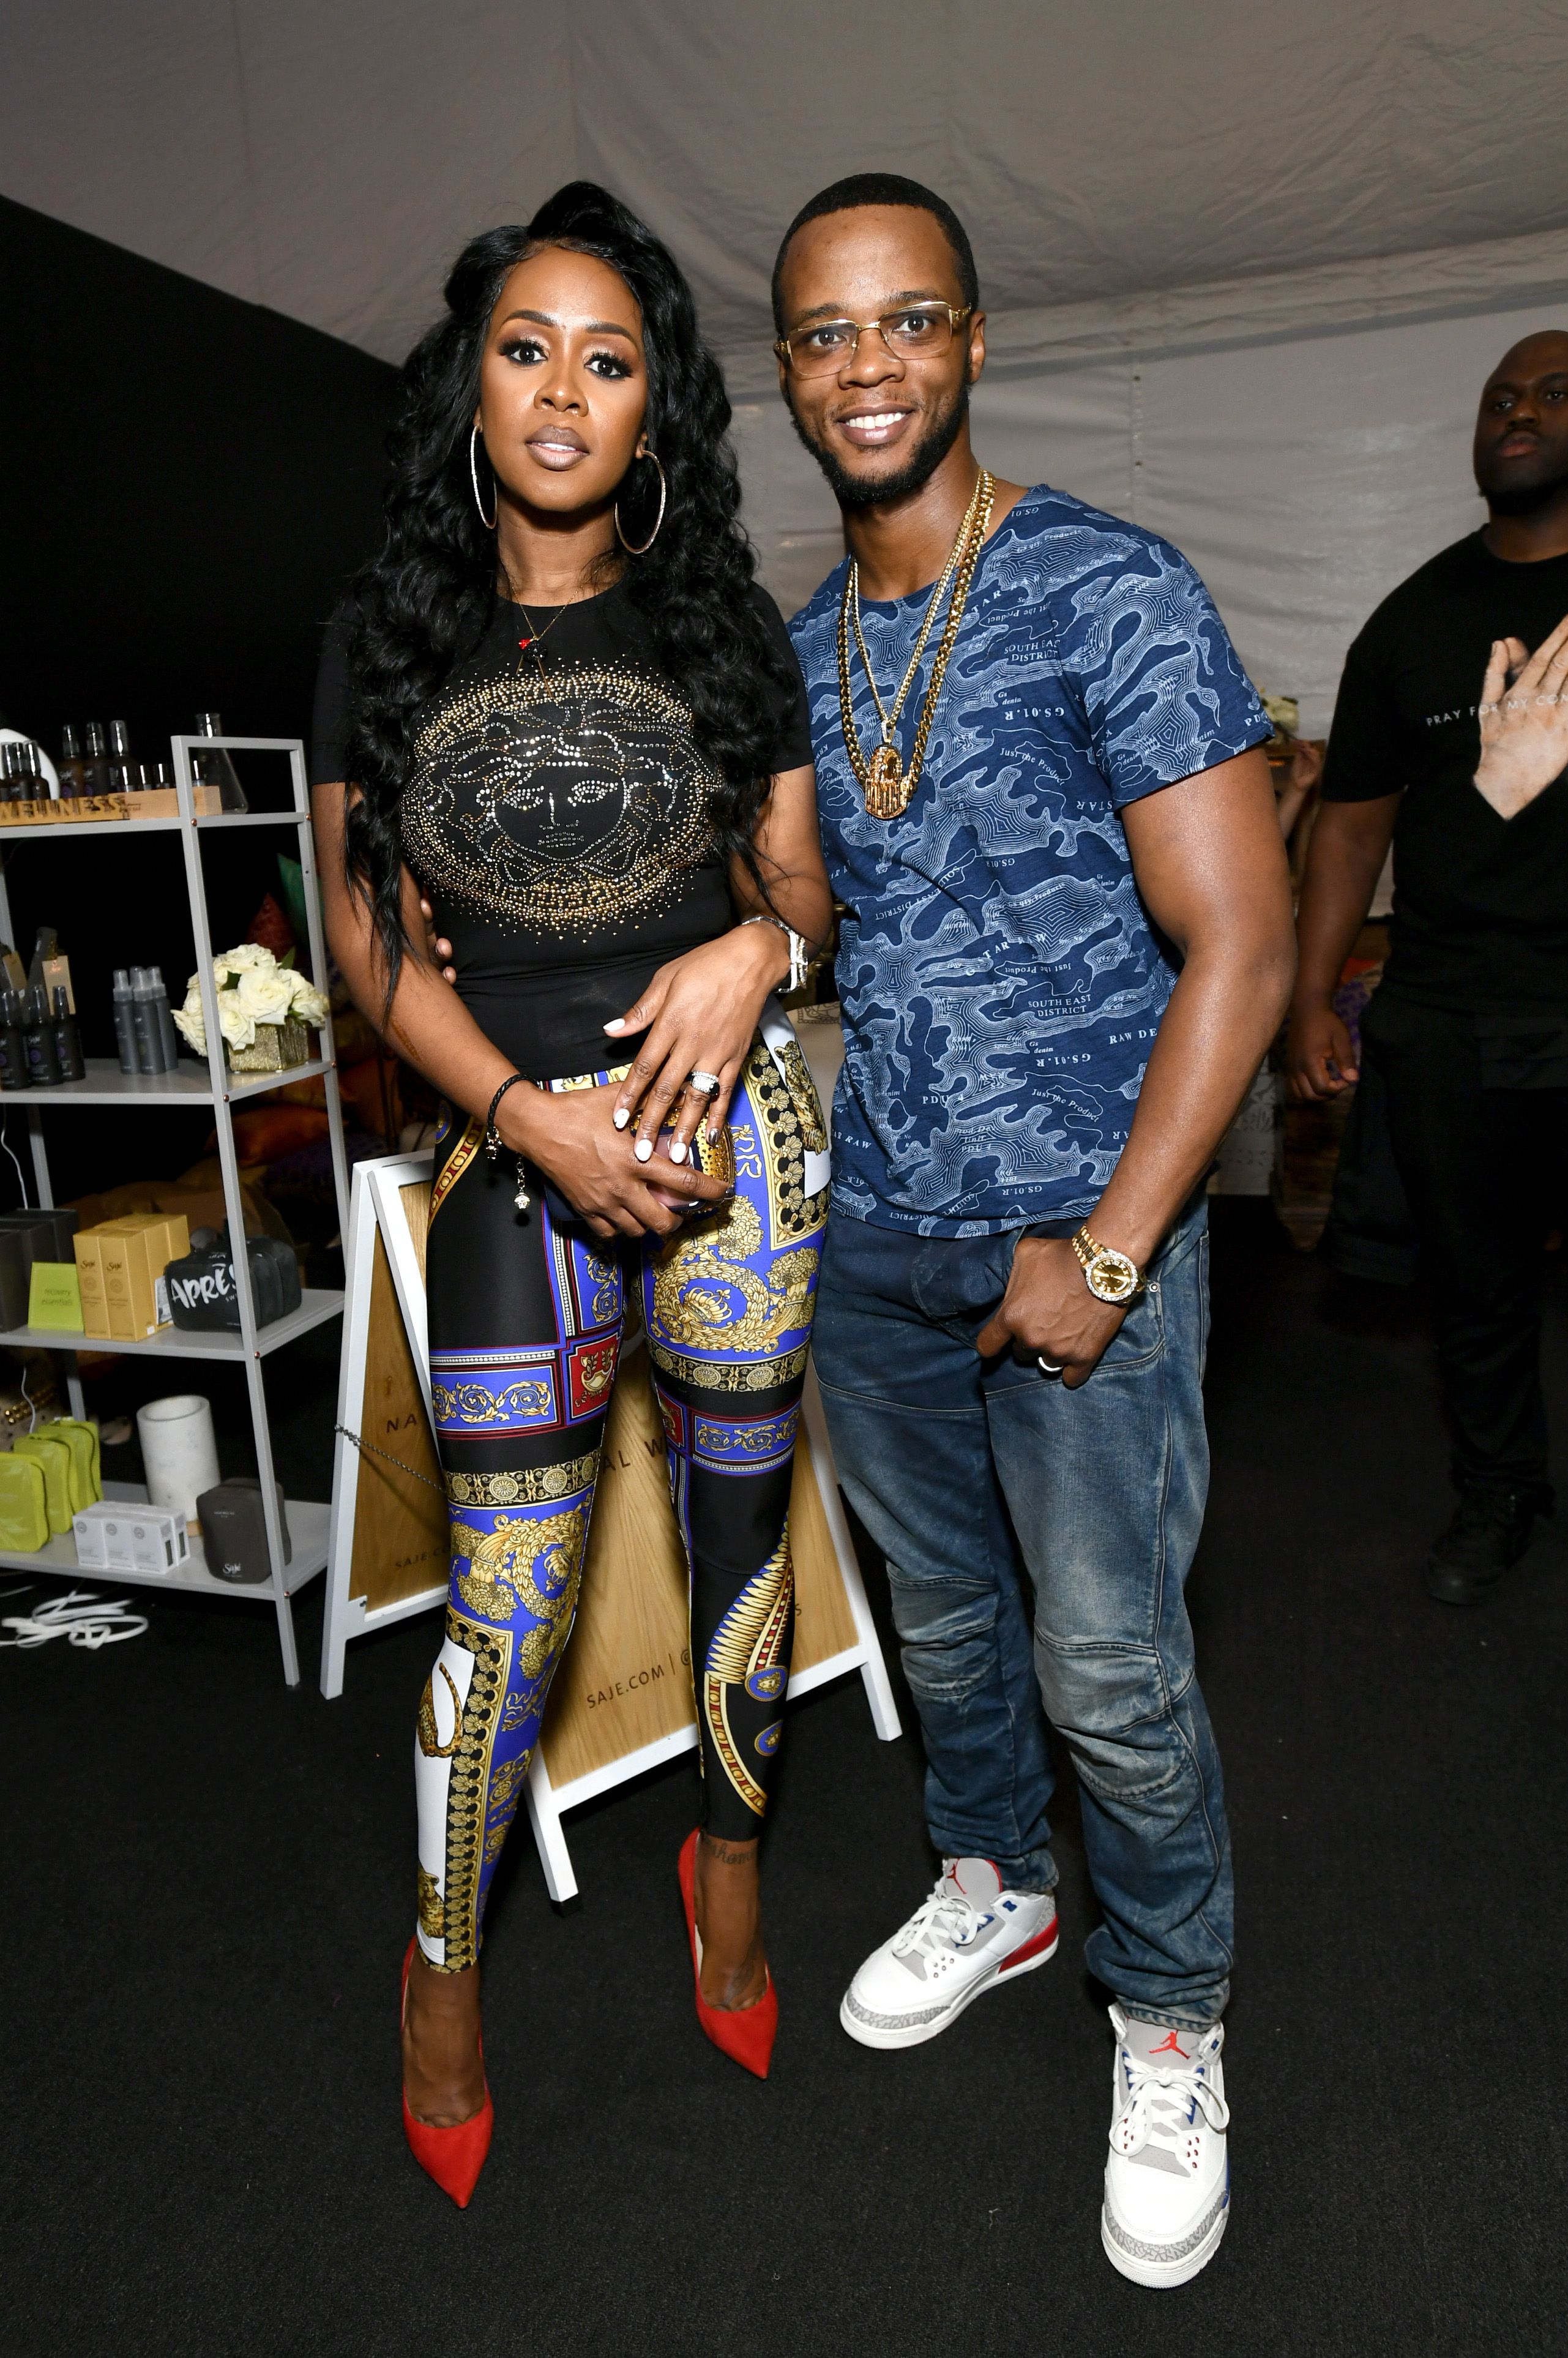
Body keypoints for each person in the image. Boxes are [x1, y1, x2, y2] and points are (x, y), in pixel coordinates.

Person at [772, 174, 1294, 2289]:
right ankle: (995, 1882)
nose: (870, 361)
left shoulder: (1109, 587)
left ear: (973, 341)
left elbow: (1244, 945)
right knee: (951, 1632)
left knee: (1111, 1667)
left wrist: (1109, 1248)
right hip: (878, 1235)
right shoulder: (806, 648)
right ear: (793, 373)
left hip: (1083, 1233)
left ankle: (1170, 2017)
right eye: (826, 332)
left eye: (909, 321)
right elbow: (846, 938)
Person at [313, 182, 832, 2207]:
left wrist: (752, 951)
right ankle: (443, 1962)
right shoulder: (383, 636)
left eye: (608, 362)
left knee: (739, 1562)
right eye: (526, 349)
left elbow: (801, 893)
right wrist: (533, 1121)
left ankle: (730, 1858)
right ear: (472, 383)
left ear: (654, 412)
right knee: (503, 1616)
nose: (561, 391)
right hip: (508, 1155)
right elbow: (369, 947)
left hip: (733, 1160)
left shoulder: (724, 629)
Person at [1286, 331, 1568, 1605]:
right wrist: (1310, 991)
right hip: (1455, 1013)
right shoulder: (1415, 619)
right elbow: (1350, 824)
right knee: (1478, 1284)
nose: (1519, 413)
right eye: (1501, 398)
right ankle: (1499, 1490)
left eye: (1554, 394)